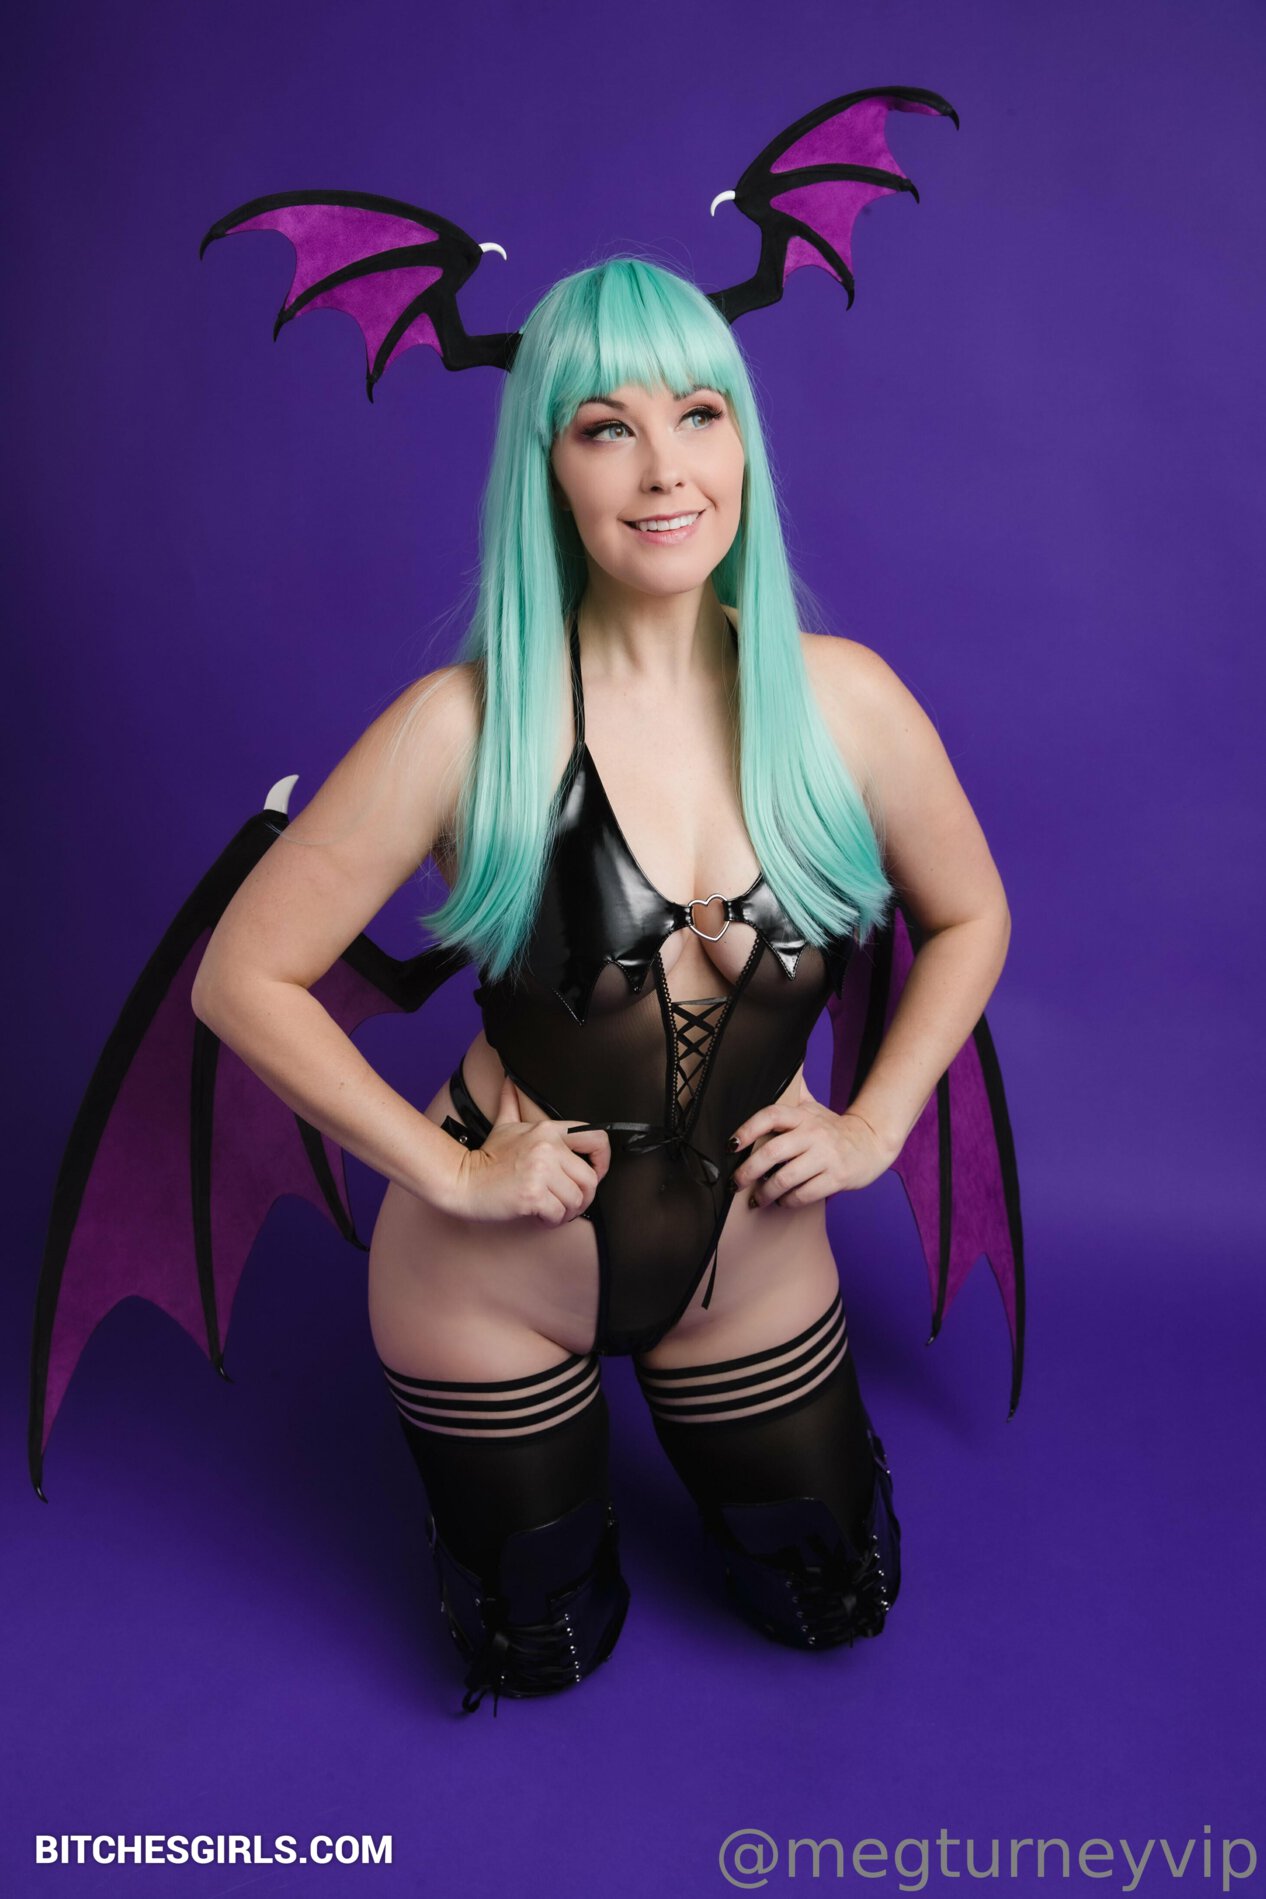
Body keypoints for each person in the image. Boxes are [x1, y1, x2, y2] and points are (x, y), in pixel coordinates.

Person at [189, 258, 1011, 1713]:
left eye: (698, 413)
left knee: (831, 1600)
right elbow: (242, 978)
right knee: (539, 1648)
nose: (664, 469)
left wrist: (876, 1122)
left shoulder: (847, 704)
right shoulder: (464, 730)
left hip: (752, 1268)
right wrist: (448, 1173)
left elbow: (970, 915)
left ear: (742, 439)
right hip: (490, 1286)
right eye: (605, 428)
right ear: (547, 468)